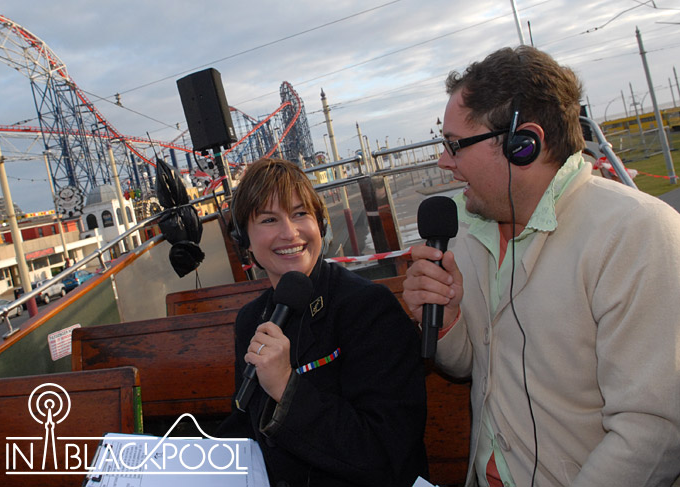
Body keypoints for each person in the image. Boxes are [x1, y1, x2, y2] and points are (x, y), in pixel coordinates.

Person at [403, 45, 680, 487]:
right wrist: (447, 320)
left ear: (523, 145)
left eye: (454, 145)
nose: (444, 161)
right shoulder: (466, 226)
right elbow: (469, 368)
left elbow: (655, 432)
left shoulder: (637, 233)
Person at [217, 158, 428, 486]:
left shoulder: (368, 308)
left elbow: (385, 454)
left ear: (320, 224)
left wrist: (286, 387)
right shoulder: (251, 321)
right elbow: (243, 424)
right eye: (270, 219)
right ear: (243, 238)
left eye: (300, 214)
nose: (290, 233)